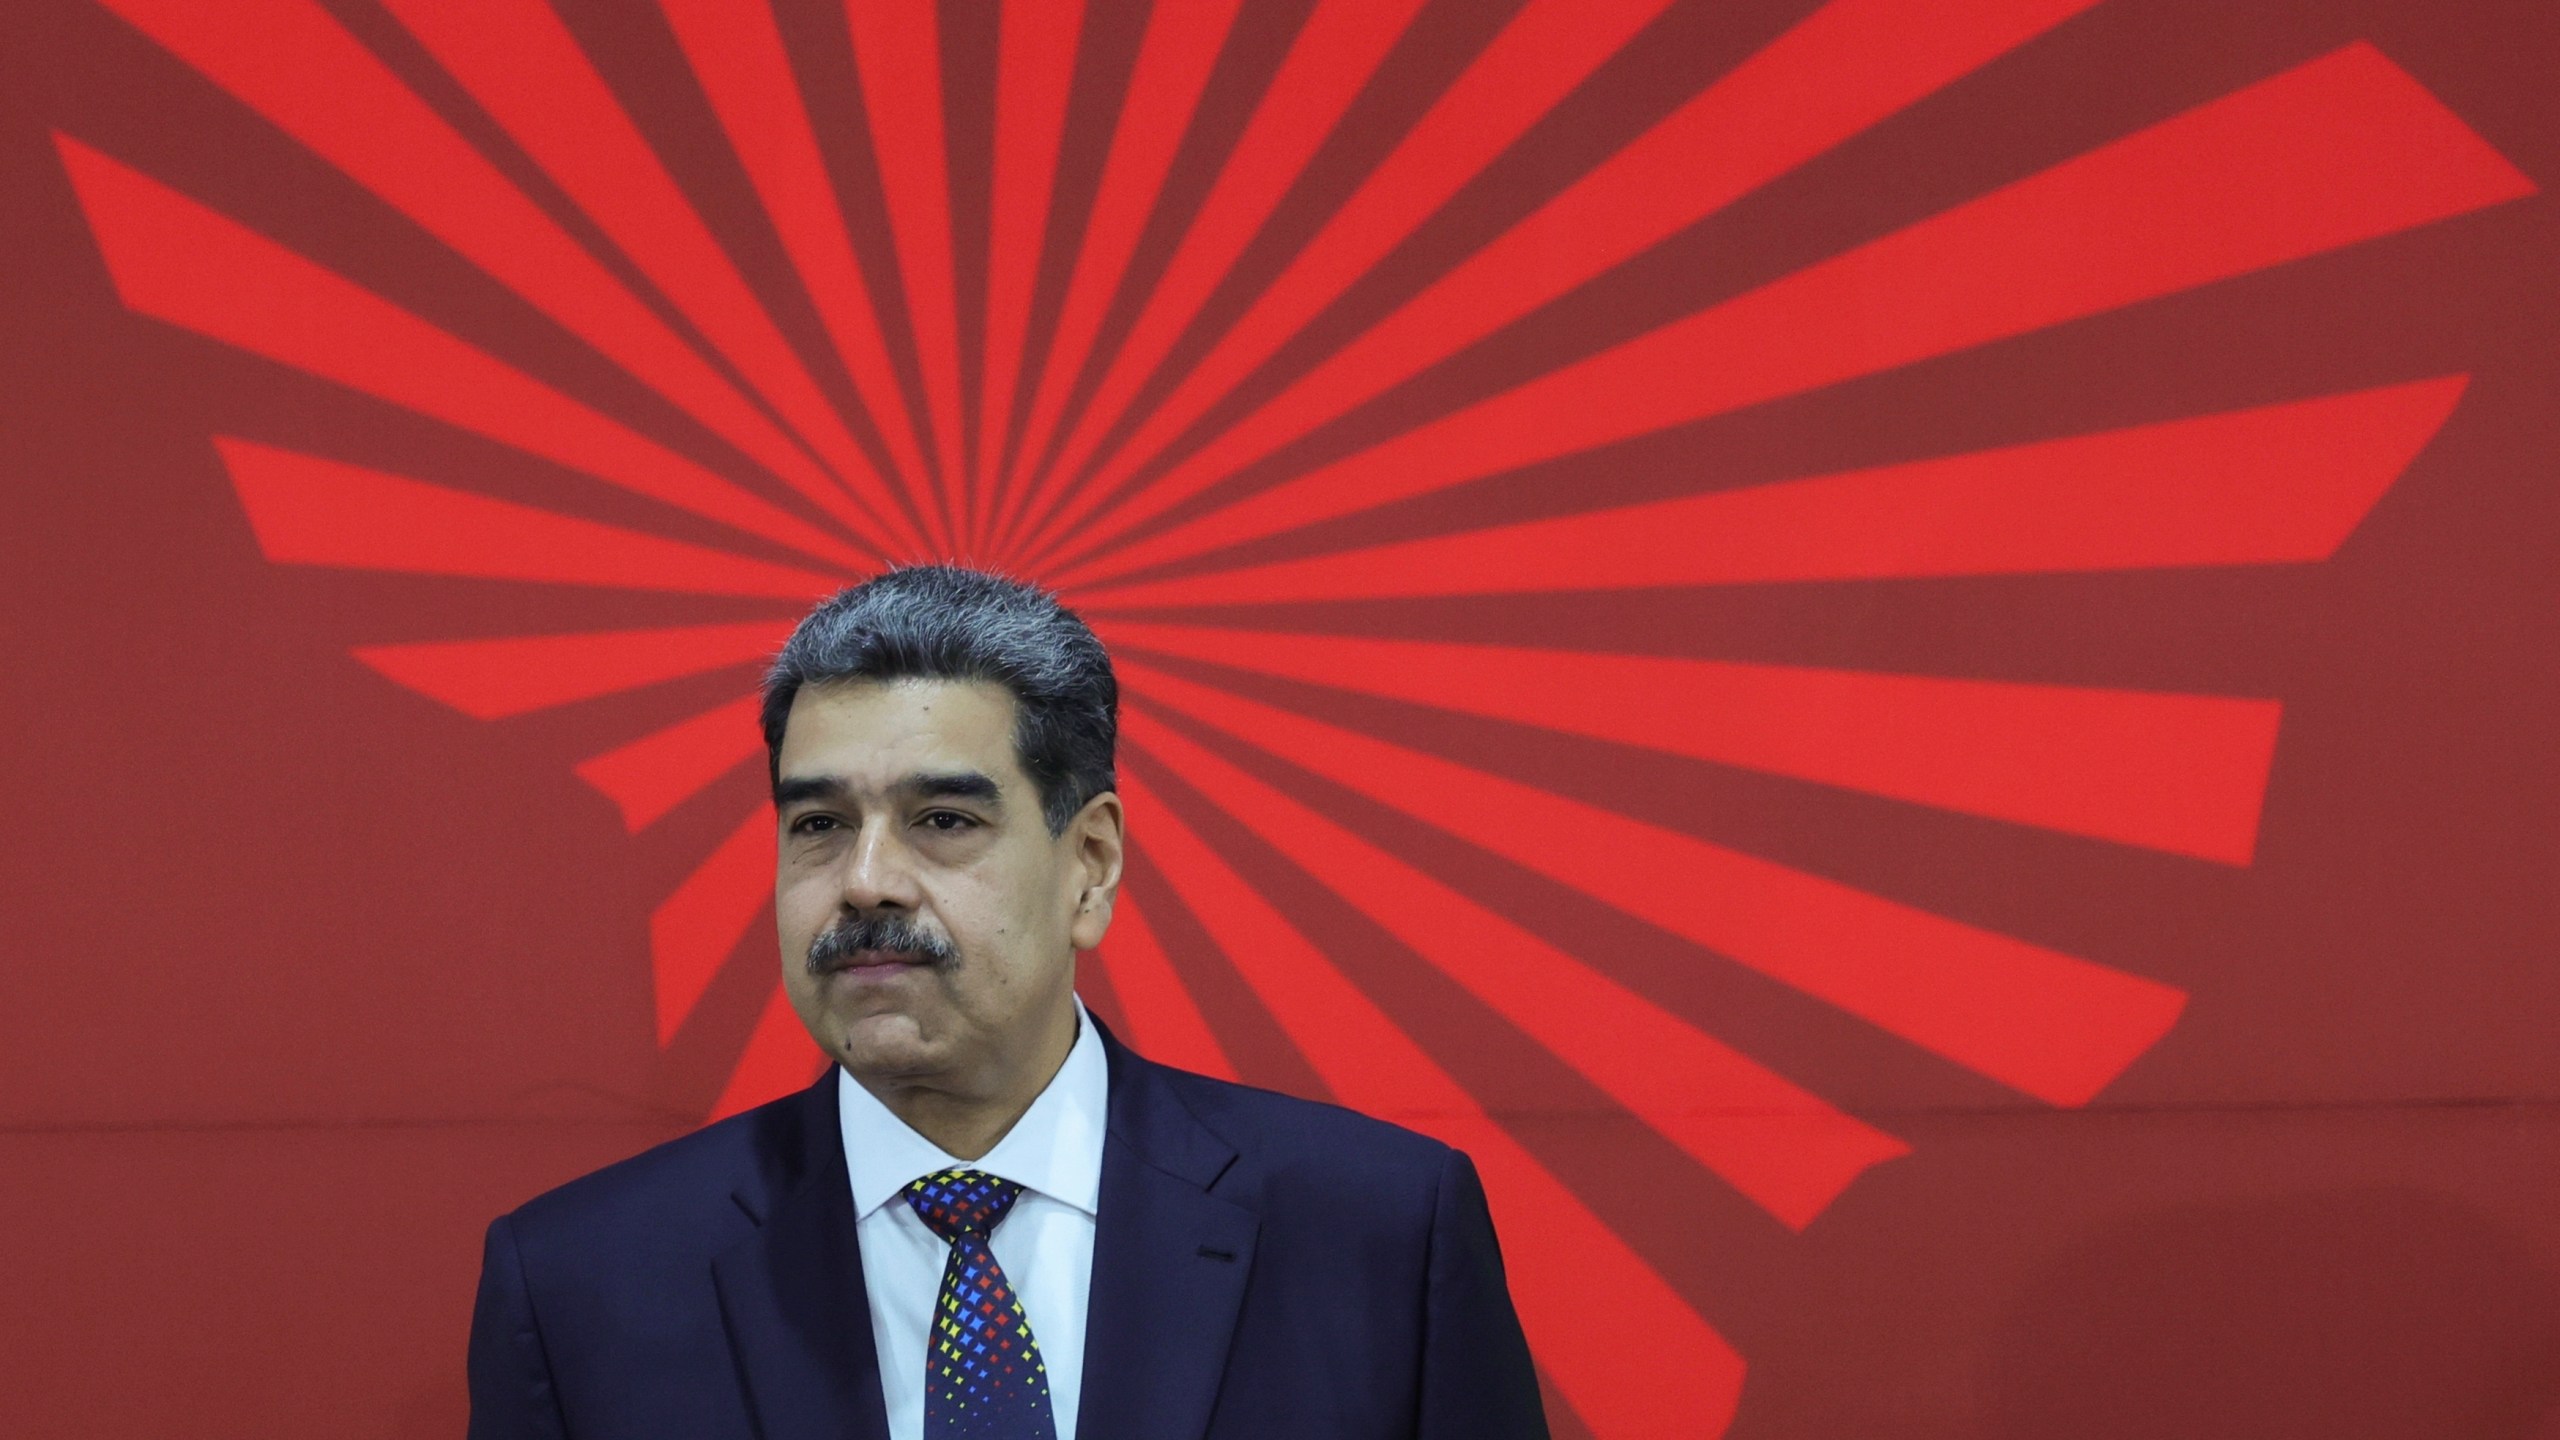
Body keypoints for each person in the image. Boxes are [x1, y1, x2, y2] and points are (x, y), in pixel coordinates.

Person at [466, 565, 1549, 1439]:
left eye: (941, 820)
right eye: (817, 825)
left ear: (1089, 863)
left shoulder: (1380, 1234)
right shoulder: (579, 1286)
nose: (864, 880)